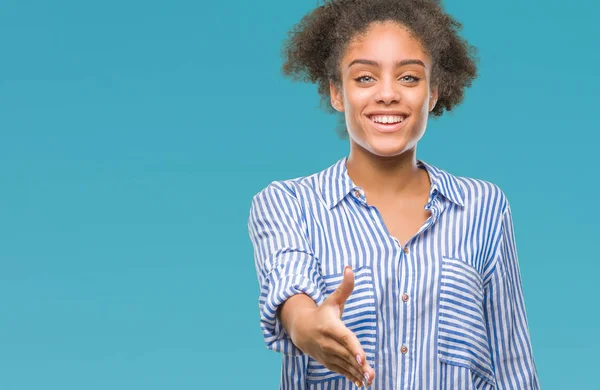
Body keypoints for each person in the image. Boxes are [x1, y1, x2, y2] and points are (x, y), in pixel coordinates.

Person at [247, 0, 539, 388]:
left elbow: (511, 367)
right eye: (365, 78)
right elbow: (291, 287)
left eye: (409, 78)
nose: (387, 94)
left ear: (433, 93)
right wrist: (307, 325)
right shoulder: (287, 204)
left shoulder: (484, 208)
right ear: (337, 93)